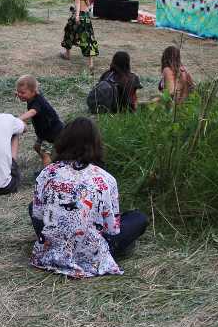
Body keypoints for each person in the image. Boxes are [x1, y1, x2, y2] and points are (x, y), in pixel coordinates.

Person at [29, 117, 149, 278]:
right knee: (138, 218)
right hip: (91, 254)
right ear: (96, 144)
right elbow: (112, 229)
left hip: (51, 250)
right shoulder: (105, 179)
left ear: (62, 141)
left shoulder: (47, 172)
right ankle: (113, 251)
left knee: (32, 206)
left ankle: (56, 242)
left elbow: (37, 214)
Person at [15, 75, 64, 167]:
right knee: (37, 147)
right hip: (44, 133)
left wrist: (18, 119)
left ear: (33, 91)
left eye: (22, 93)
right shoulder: (32, 95)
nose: (19, 95)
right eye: (18, 92)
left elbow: (32, 112)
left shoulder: (38, 102)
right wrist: (20, 93)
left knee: (45, 154)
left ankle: (49, 172)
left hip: (52, 134)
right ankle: (55, 161)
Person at [61, 0, 98, 69]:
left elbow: (77, 3)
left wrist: (77, 16)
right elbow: (88, 3)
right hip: (86, 16)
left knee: (69, 32)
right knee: (88, 37)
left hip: (79, 15)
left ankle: (67, 54)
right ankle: (91, 63)